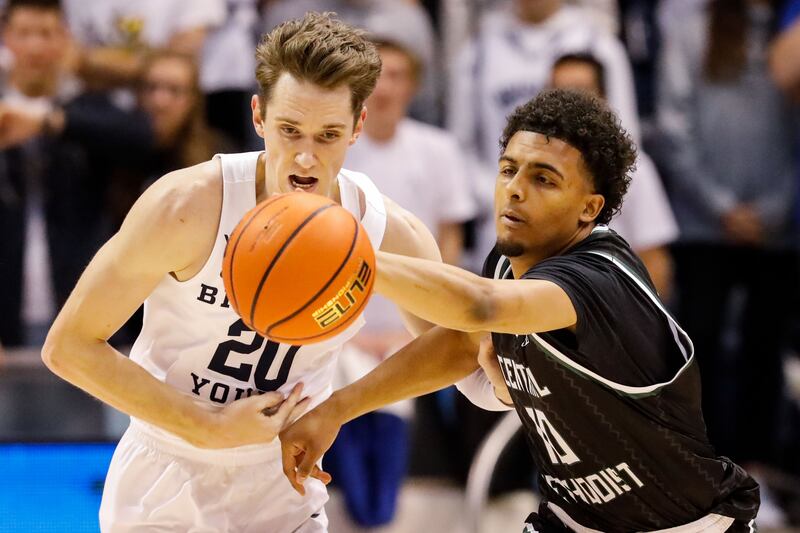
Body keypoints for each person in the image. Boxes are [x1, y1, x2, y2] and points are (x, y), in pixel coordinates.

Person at [280, 90, 761, 532]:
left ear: (589, 208)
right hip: (571, 518)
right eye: (508, 169)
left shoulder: (600, 279)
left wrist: (342, 256)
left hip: (682, 525)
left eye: (543, 179)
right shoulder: (511, 263)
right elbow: (460, 341)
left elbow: (480, 307)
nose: (514, 189)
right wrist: (336, 410)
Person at [41, 12, 446, 532]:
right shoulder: (186, 205)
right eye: (289, 130)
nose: (305, 155)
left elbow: (455, 346)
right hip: (165, 473)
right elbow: (68, 346)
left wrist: (340, 408)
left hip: (283, 479)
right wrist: (204, 425)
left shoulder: (386, 229)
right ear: (258, 116)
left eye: (328, 135)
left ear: (358, 126)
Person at [550, 52, 678, 299]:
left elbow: (655, 260)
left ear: (603, 98)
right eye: (559, 92)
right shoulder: (530, 167)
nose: (569, 103)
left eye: (581, 91)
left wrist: (642, 330)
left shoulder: (634, 169)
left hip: (612, 314)